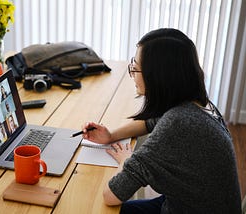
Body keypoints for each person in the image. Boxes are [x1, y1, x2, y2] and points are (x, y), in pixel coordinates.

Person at [82, 28, 241, 214]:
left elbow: (112, 195)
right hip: (184, 202)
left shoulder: (179, 123)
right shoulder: (198, 104)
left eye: (136, 67)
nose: (132, 72)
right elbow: (151, 122)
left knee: (95, 208)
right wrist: (111, 136)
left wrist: (127, 160)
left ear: (158, 76)